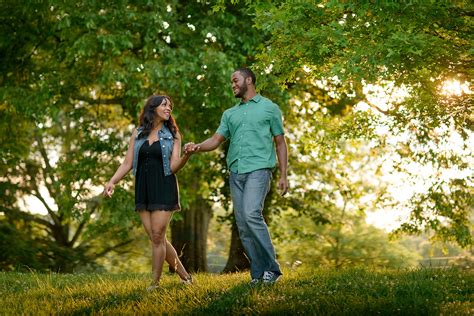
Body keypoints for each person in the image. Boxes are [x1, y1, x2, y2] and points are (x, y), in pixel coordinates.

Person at [185, 67, 288, 285]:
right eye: (231, 82)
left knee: (252, 214)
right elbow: (215, 140)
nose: (232, 85)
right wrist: (197, 147)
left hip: (259, 170)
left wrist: (283, 175)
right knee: (242, 224)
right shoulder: (229, 114)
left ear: (248, 80)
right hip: (236, 173)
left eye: (235, 80)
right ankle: (258, 274)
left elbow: (280, 142)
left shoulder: (270, 108)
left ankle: (273, 269)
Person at [104, 95, 193, 291]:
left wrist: (187, 155)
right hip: (143, 189)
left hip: (164, 186)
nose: (169, 108)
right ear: (152, 108)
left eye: (170, 106)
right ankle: (186, 277)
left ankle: (155, 283)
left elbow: (174, 166)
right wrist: (112, 181)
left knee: (157, 233)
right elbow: (127, 163)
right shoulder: (138, 133)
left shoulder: (174, 134)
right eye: (164, 105)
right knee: (157, 238)